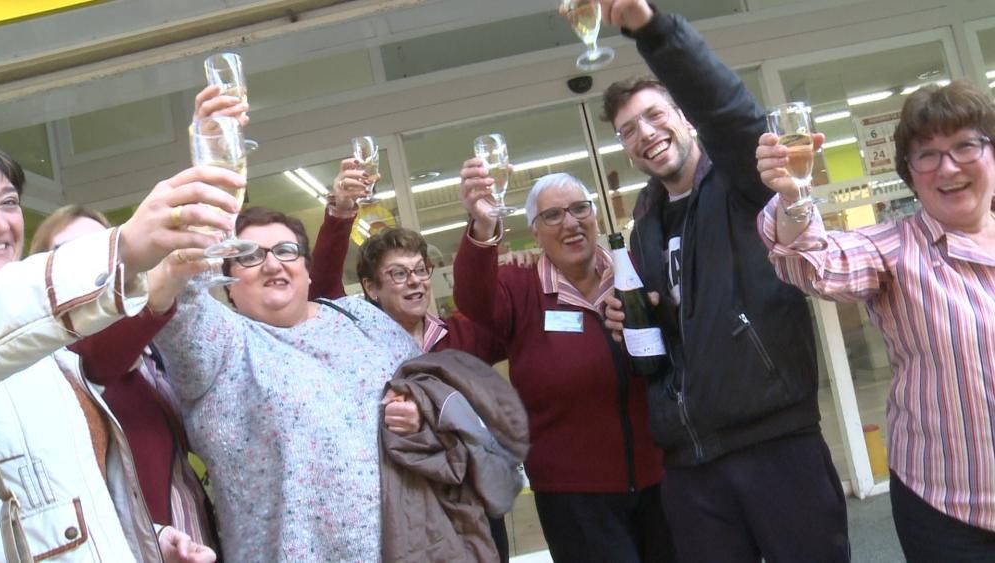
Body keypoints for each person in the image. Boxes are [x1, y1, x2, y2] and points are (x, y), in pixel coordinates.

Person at [596, 1, 849, 561]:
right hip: (691, 466)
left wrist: (653, 29)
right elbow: (680, 324)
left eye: (656, 116)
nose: (645, 135)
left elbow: (729, 112)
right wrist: (638, 316)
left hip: (776, 447)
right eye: (628, 131)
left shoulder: (742, 184)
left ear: (685, 117)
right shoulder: (645, 224)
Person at [755, 80, 995, 561]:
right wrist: (794, 197)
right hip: (950, 508)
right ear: (909, 173)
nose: (947, 167)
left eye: (965, 145)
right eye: (926, 155)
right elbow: (813, 261)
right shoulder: (891, 249)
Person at [0, 145, 239, 562]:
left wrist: (150, 539)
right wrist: (124, 247)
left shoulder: (55, 362)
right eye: (73, 252)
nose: (1, 224)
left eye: (8, 201)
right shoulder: (52, 341)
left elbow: (69, 500)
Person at [148, 206, 423, 561]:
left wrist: (420, 412)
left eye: (286, 251)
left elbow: (429, 386)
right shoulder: (222, 343)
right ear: (226, 283)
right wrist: (201, 231)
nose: (273, 264)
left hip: (413, 548)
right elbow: (177, 296)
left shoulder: (360, 316)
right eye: (249, 256)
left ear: (307, 271)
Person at [454, 170, 672, 561]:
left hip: (662, 475)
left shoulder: (633, 273)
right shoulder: (519, 286)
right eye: (552, 216)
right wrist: (484, 231)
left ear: (595, 217)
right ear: (535, 234)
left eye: (579, 209)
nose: (570, 222)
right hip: (574, 496)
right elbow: (473, 299)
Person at [309, 163, 522, 561]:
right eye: (398, 274)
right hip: (402, 509)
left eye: (421, 270)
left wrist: (508, 258)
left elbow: (511, 322)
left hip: (472, 500)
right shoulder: (358, 342)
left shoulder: (462, 336)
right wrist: (340, 212)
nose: (416, 281)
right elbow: (322, 288)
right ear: (370, 288)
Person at [29, 205, 218, 552]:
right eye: (67, 252)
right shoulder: (53, 360)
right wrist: (160, 289)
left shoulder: (150, 358)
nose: (85, 263)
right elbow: (100, 361)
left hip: (193, 544)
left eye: (99, 250)